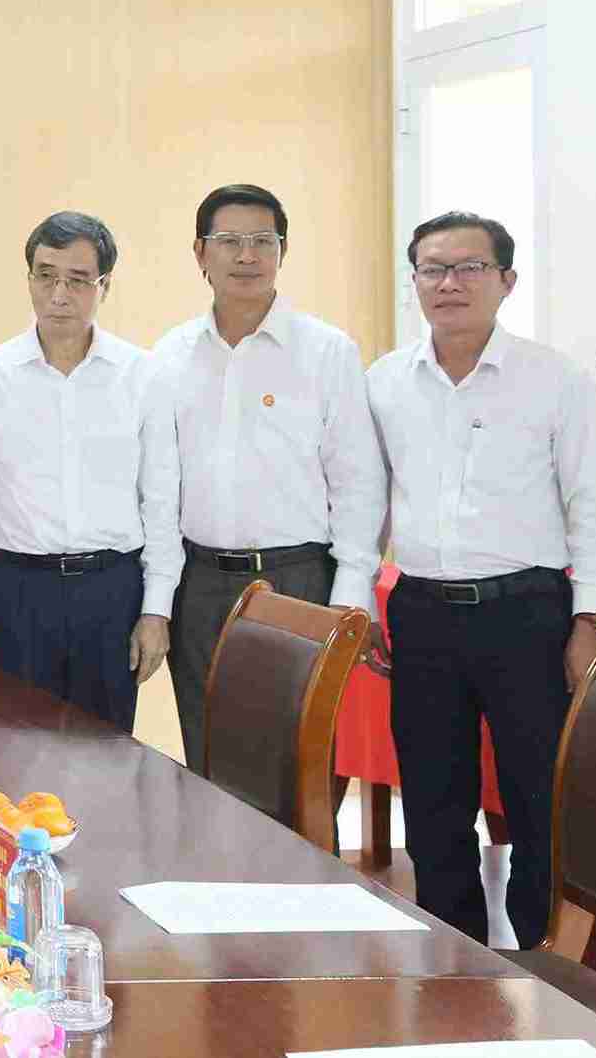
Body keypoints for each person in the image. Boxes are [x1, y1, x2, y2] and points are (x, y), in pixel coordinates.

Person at [364, 211, 596, 949]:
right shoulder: (386, 382)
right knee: (433, 804)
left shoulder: (554, 380)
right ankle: (456, 961)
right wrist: (358, 598)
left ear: (506, 281)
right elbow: (362, 504)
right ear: (414, 280)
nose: (450, 283)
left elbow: (592, 509)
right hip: (420, 613)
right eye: (432, 268)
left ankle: (546, 964)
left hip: (528, 615)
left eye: (470, 268)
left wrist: (590, 622)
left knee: (539, 797)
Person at [151, 184, 384, 767]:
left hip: (299, 579)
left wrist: (351, 595)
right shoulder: (170, 356)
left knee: (297, 761)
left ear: (283, 252)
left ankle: (299, 864)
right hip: (199, 584)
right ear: (201, 253)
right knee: (208, 755)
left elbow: (357, 482)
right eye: (229, 241)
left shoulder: (328, 352)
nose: (246, 256)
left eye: (263, 241)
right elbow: (157, 487)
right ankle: (217, 864)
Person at [0, 213, 181, 731]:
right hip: (16, 592)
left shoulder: (142, 375)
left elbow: (162, 501)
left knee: (105, 758)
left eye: (79, 280)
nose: (60, 294)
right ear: (29, 279)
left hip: (111, 592)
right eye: (45, 275)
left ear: (104, 285)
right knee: (14, 753)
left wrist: (156, 610)